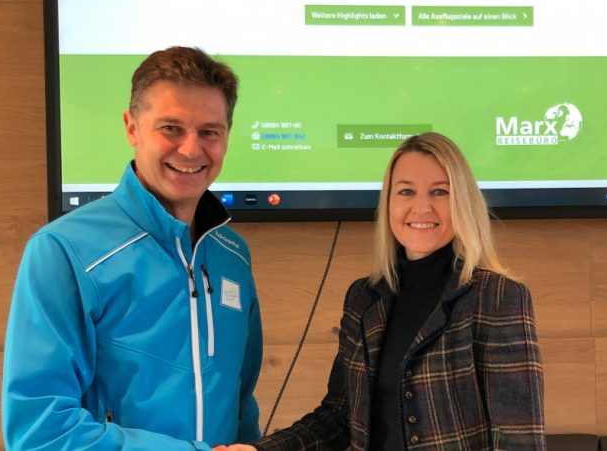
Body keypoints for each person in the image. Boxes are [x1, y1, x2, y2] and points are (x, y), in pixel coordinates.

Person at [2, 46, 263, 450]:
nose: (191, 150)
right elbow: (39, 431)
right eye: (171, 128)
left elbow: (240, 409)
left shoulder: (233, 255)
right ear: (131, 128)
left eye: (209, 131)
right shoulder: (62, 251)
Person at [233, 132, 545, 450]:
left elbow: (519, 440)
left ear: (463, 202)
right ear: (389, 203)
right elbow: (338, 415)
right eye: (406, 191)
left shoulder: (497, 297)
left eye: (440, 191)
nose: (421, 207)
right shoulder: (362, 298)